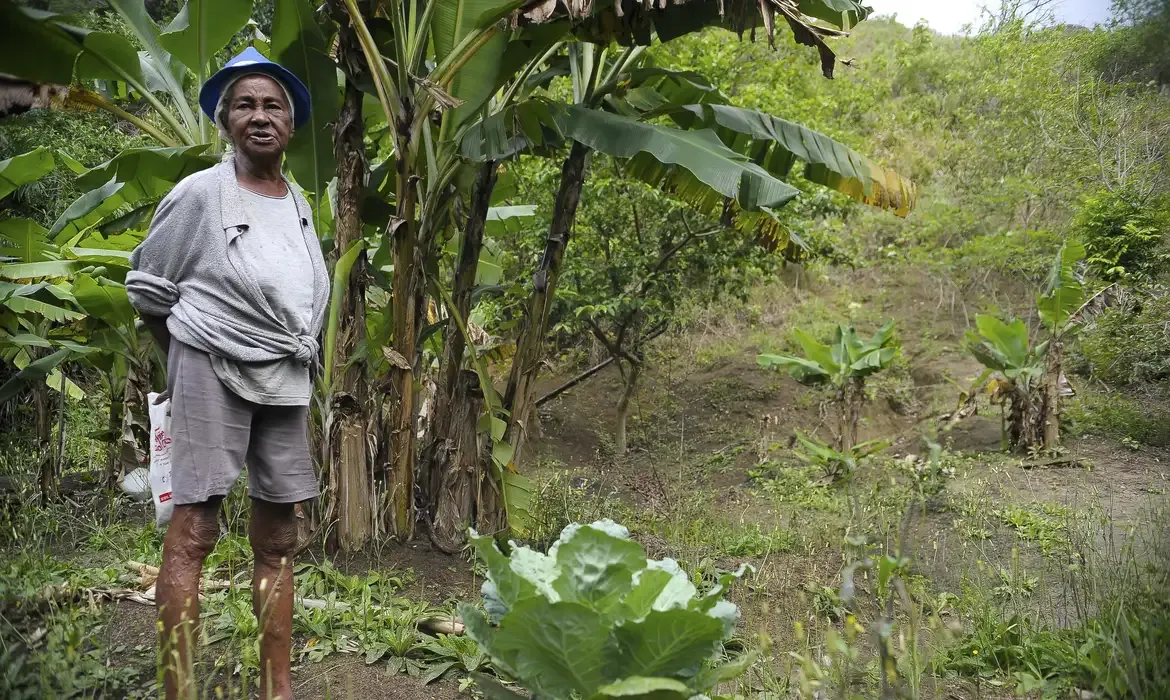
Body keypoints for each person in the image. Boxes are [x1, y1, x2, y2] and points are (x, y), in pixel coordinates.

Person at [126, 47, 328, 700]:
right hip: (213, 367)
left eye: (274, 105)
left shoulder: (294, 198)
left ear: (291, 124)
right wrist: (189, 361)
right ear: (225, 119)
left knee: (278, 535)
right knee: (196, 530)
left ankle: (277, 689)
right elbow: (148, 286)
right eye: (246, 104)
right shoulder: (200, 195)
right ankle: (178, 690)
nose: (261, 116)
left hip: (285, 377)